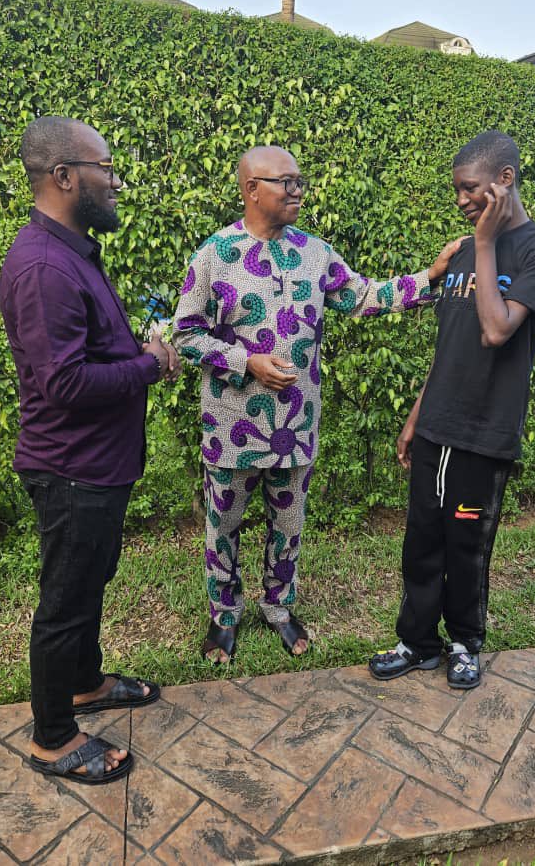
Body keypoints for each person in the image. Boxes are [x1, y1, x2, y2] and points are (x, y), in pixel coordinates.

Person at [172, 145, 458, 664]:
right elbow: (186, 334)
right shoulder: (213, 255)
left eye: (299, 180)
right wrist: (246, 361)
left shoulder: (316, 254)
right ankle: (224, 615)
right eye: (286, 182)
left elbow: (363, 296)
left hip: (296, 423)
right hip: (231, 427)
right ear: (252, 189)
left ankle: (278, 607)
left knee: (288, 526)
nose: (298, 191)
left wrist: (430, 276)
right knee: (224, 527)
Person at [0, 116, 181, 783]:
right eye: (105, 168)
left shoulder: (72, 253)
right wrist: (150, 365)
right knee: (64, 602)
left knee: (88, 583)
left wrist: (135, 351)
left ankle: (84, 684)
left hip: (98, 465)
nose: (115, 182)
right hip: (71, 469)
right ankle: (52, 738)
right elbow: (65, 383)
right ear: (64, 176)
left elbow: (86, 352)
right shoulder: (44, 266)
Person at [369, 130, 535, 690]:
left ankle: (464, 643)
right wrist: (416, 415)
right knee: (421, 539)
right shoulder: (459, 252)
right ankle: (416, 642)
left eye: (469, 188)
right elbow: (451, 345)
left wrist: (483, 245)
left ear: (505, 180)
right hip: (438, 423)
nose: (461, 200)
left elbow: (495, 331)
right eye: (457, 191)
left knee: (466, 544)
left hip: (485, 431)